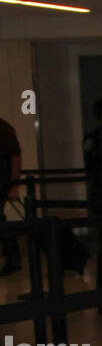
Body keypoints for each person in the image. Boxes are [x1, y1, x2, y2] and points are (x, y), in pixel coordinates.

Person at [0, 114, 23, 276]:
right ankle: (13, 259)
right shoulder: (4, 127)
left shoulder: (4, 128)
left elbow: (16, 157)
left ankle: (13, 259)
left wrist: (14, 185)